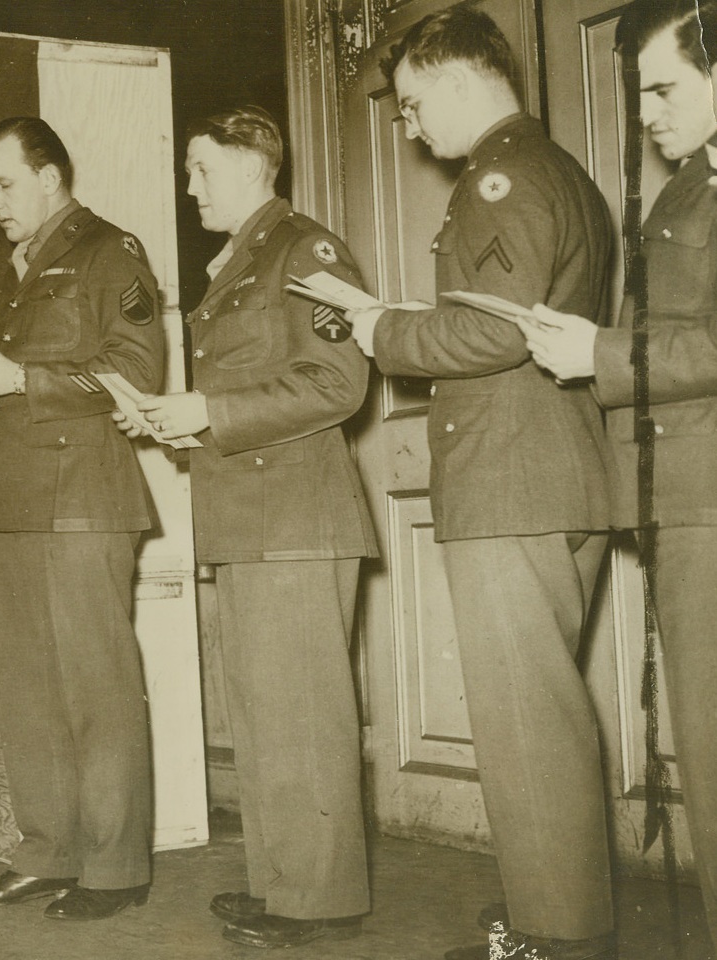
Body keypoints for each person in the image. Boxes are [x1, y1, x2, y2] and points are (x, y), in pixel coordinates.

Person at [343, 8, 616, 960]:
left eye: (415, 104)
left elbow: (496, 332)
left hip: (514, 482)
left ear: (458, 78)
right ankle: (555, 924)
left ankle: (555, 940)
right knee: (539, 718)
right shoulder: (559, 172)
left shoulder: (501, 179)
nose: (410, 128)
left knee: (527, 728)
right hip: (550, 473)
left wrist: (380, 329)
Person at [121, 105, 376, 949]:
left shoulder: (306, 250)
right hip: (248, 518)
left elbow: (338, 383)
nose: (188, 185)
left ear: (249, 163)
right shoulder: (240, 260)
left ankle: (321, 900)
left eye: (199, 168)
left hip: (297, 516)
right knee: (268, 716)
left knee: (301, 717)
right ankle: (283, 888)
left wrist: (211, 409)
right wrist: (182, 420)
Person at [522, 2, 717, 954]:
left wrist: (599, 350)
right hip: (683, 500)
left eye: (666, 86)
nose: (645, 110)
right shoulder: (687, 189)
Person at [0, 117, 165, 921]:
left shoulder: (111, 252)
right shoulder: (22, 264)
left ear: (50, 176)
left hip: (83, 504)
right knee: (31, 696)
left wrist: (18, 377)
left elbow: (134, 372)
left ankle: (114, 868)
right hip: (18, 501)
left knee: (96, 693)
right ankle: (47, 853)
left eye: (3, 183)